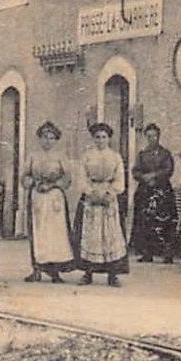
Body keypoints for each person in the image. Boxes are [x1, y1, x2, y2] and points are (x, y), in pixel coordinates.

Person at [21, 121, 76, 283]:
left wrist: (53, 185)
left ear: (56, 140)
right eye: (45, 137)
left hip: (54, 199)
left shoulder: (61, 156)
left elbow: (67, 178)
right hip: (37, 197)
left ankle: (55, 271)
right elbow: (24, 176)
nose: (48, 141)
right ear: (40, 138)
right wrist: (34, 183)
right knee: (38, 233)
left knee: (55, 234)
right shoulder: (32, 155)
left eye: (52, 138)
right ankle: (37, 269)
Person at [76, 122, 129, 287]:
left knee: (110, 236)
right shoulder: (87, 156)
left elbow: (120, 180)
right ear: (93, 139)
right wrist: (90, 193)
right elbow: (81, 177)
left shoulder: (115, 157)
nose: (100, 140)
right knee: (90, 235)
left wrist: (110, 193)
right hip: (91, 196)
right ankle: (88, 273)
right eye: (97, 137)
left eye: (104, 137)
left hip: (108, 196)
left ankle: (113, 275)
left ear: (109, 138)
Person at [131, 123, 177, 263]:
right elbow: (136, 171)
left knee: (164, 221)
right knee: (145, 221)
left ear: (159, 137)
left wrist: (154, 176)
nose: (152, 139)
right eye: (149, 136)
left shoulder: (165, 154)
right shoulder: (142, 154)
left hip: (162, 191)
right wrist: (143, 177)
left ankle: (167, 253)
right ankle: (147, 253)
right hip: (145, 190)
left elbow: (168, 169)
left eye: (154, 136)